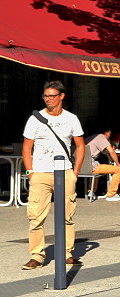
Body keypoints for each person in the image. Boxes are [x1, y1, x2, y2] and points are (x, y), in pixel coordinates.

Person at [21, 80, 86, 269]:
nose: (48, 99)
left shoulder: (71, 119)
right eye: (45, 96)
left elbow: (80, 145)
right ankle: (37, 256)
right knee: (35, 217)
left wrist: (76, 171)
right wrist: (30, 172)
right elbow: (27, 148)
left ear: (61, 97)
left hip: (64, 172)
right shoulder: (35, 118)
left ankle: (66, 253)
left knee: (67, 215)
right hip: (40, 173)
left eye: (52, 96)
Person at [84, 125, 120, 201]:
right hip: (91, 167)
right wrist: (118, 164)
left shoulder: (90, 138)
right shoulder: (101, 137)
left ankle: (91, 191)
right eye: (110, 134)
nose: (110, 136)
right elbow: (111, 152)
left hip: (83, 167)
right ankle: (111, 194)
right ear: (106, 133)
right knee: (118, 169)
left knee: (97, 166)